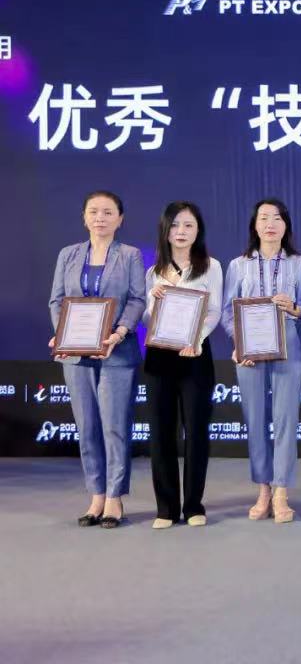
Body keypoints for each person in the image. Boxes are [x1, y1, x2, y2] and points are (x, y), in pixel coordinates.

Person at [48, 191, 146, 529]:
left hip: (117, 351)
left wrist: (119, 332)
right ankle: (96, 495)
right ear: (84, 217)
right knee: (87, 427)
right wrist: (62, 335)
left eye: (107, 212)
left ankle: (115, 497)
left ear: (120, 219)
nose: (100, 218)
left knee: (115, 427)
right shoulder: (68, 254)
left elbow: (137, 299)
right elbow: (57, 300)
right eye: (93, 211)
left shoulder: (130, 255)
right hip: (76, 355)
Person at [222, 199, 301, 524]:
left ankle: (282, 491)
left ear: (286, 225)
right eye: (263, 218)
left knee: (286, 419)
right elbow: (226, 311)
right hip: (250, 350)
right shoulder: (238, 265)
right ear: (255, 225)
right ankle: (263, 489)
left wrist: (295, 309)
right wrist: (239, 342)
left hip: (288, 345)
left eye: (277, 218)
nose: (270, 224)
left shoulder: (299, 264)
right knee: (255, 419)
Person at [143, 201, 222, 529]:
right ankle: (165, 508)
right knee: (161, 431)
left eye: (188, 225)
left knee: (197, 430)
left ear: (198, 230)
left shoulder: (211, 267)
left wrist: (197, 339)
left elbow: (215, 311)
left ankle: (193, 506)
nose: (181, 231)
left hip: (195, 355)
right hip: (160, 356)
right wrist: (154, 300)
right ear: (165, 230)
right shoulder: (153, 271)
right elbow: (148, 319)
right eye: (175, 225)